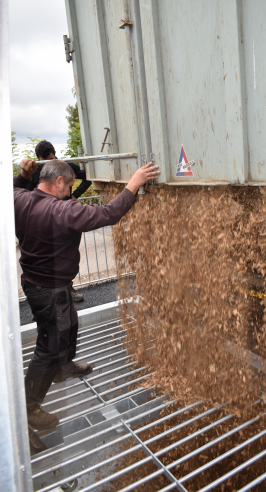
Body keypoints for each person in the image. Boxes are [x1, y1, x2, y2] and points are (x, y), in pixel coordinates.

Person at [14, 158, 159, 430]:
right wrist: (134, 184)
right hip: (49, 289)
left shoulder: (20, 198)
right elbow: (107, 214)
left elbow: (12, 188)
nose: (70, 192)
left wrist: (23, 174)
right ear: (58, 182)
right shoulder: (62, 210)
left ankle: (63, 366)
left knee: (70, 323)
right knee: (48, 346)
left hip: (39, 285)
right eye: (69, 186)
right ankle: (29, 407)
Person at [26, 140, 93, 302]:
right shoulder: (34, 173)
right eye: (46, 160)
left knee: (66, 256)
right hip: (44, 222)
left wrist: (73, 196)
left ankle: (67, 289)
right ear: (39, 158)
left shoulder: (65, 167)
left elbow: (88, 177)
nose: (50, 162)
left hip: (65, 219)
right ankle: (46, 293)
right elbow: (27, 197)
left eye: (52, 158)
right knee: (47, 258)